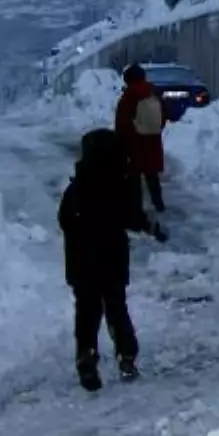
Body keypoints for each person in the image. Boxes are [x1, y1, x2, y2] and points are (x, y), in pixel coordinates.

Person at [58, 128, 165, 391]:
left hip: (82, 262)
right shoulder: (120, 184)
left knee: (87, 312)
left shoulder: (78, 186)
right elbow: (132, 217)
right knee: (116, 308)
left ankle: (86, 356)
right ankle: (126, 356)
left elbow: (64, 219)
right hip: (111, 259)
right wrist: (152, 228)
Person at [115, 63, 166, 215]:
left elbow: (122, 121)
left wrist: (120, 140)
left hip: (134, 141)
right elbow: (163, 116)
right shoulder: (153, 92)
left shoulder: (129, 95)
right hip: (153, 141)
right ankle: (159, 204)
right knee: (152, 175)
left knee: (133, 177)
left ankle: (135, 209)